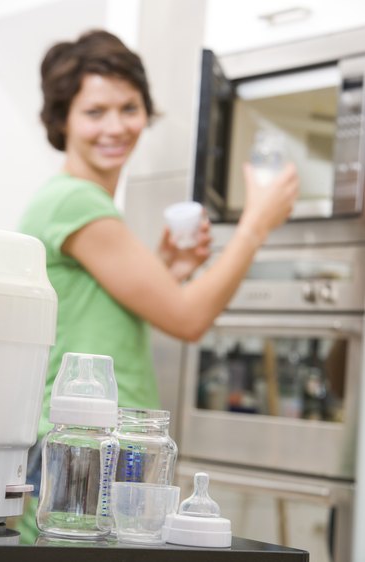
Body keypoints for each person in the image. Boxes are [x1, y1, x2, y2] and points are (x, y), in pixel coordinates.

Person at [17, 29, 298, 542]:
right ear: (63, 120)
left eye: (130, 107)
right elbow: (188, 319)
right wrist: (256, 223)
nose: (116, 126)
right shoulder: (76, 202)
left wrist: (164, 266)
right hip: (84, 451)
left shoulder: (76, 203)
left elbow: (103, 311)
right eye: (95, 111)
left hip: (103, 448)